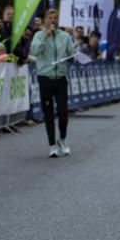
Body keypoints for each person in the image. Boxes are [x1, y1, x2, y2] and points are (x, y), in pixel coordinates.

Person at [30, 9, 76, 157]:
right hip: (45, 77)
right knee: (48, 113)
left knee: (63, 113)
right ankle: (52, 146)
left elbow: (72, 53)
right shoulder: (38, 35)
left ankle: (62, 140)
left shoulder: (65, 36)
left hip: (61, 78)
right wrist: (45, 37)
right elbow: (34, 52)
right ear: (45, 21)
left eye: (55, 18)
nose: (53, 20)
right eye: (50, 18)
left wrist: (72, 58)